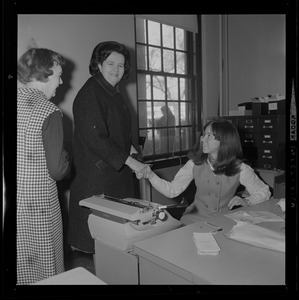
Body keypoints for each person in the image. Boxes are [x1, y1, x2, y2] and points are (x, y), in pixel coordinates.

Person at [68, 41, 145, 253]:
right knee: (99, 244)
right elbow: (97, 138)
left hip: (113, 177)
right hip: (97, 181)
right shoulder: (91, 92)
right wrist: (130, 163)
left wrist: (134, 155)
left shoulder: (112, 92)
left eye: (121, 65)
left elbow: (119, 133)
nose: (116, 70)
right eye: (110, 63)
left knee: (114, 244)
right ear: (98, 64)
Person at [137, 118, 271, 225]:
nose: (202, 139)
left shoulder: (241, 169)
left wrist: (247, 201)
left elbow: (264, 191)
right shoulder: (194, 163)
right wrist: (151, 175)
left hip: (223, 222)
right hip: (192, 220)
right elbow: (172, 190)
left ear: (224, 141)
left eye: (209, 136)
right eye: (203, 134)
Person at [17, 48, 70, 285]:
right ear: (42, 75)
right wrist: (68, 155)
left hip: (13, 204)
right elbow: (58, 170)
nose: (61, 82)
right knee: (45, 272)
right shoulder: (49, 111)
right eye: (58, 75)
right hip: (38, 208)